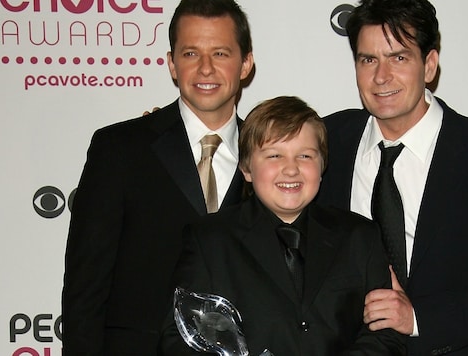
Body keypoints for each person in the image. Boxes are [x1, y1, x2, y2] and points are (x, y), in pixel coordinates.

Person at [317, 0, 468, 354]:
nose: (381, 77)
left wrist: (418, 318)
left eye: (399, 58)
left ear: (429, 65)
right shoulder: (324, 143)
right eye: (369, 60)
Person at [61, 0, 254, 354]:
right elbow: (84, 291)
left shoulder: (271, 160)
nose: (206, 68)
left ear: (245, 64)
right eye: (191, 53)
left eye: (221, 53)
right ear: (171, 64)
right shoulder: (119, 149)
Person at [159, 96, 406, 356]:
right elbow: (180, 338)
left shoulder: (361, 236)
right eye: (274, 155)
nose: (291, 169)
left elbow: (386, 334)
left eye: (305, 156)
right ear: (246, 168)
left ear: (322, 166)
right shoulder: (209, 240)